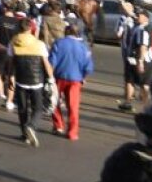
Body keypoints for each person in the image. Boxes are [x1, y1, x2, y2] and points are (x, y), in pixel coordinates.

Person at [8, 18, 55, 147]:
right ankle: (32, 125)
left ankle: (24, 134)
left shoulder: (13, 42)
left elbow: (11, 62)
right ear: (31, 28)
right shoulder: (39, 44)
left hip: (21, 80)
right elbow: (46, 64)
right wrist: (51, 79)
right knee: (38, 107)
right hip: (36, 80)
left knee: (22, 108)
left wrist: (10, 76)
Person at [50, 23, 95, 140]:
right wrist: (83, 78)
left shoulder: (58, 43)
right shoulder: (84, 47)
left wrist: (49, 78)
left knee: (54, 101)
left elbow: (52, 63)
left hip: (59, 77)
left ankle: (58, 125)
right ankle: (72, 132)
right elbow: (88, 67)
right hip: (76, 79)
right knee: (73, 106)